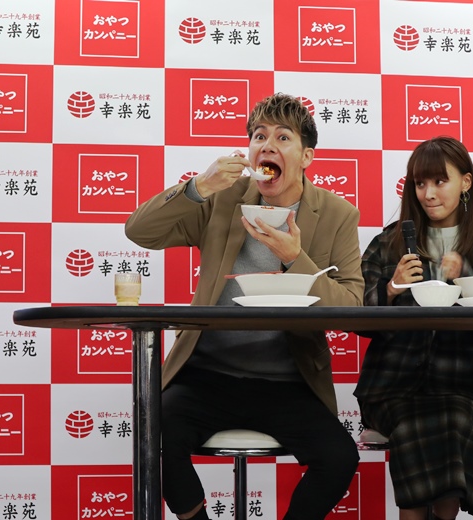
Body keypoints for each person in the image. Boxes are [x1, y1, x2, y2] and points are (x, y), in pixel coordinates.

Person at [125, 93, 363, 520]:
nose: (267, 145)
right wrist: (198, 187)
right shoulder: (222, 198)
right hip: (205, 376)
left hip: (288, 382)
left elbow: (351, 306)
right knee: (153, 434)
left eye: (283, 138)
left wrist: (295, 258)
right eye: (259, 136)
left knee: (339, 458)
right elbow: (140, 232)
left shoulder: (337, 214)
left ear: (307, 156)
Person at [353, 136, 473, 520]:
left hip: (464, 387)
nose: (428, 194)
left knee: (451, 416)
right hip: (390, 389)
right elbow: (357, 318)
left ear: (465, 182)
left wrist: (469, 278)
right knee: (435, 422)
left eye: (439, 181)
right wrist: (391, 288)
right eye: (420, 183)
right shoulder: (388, 243)